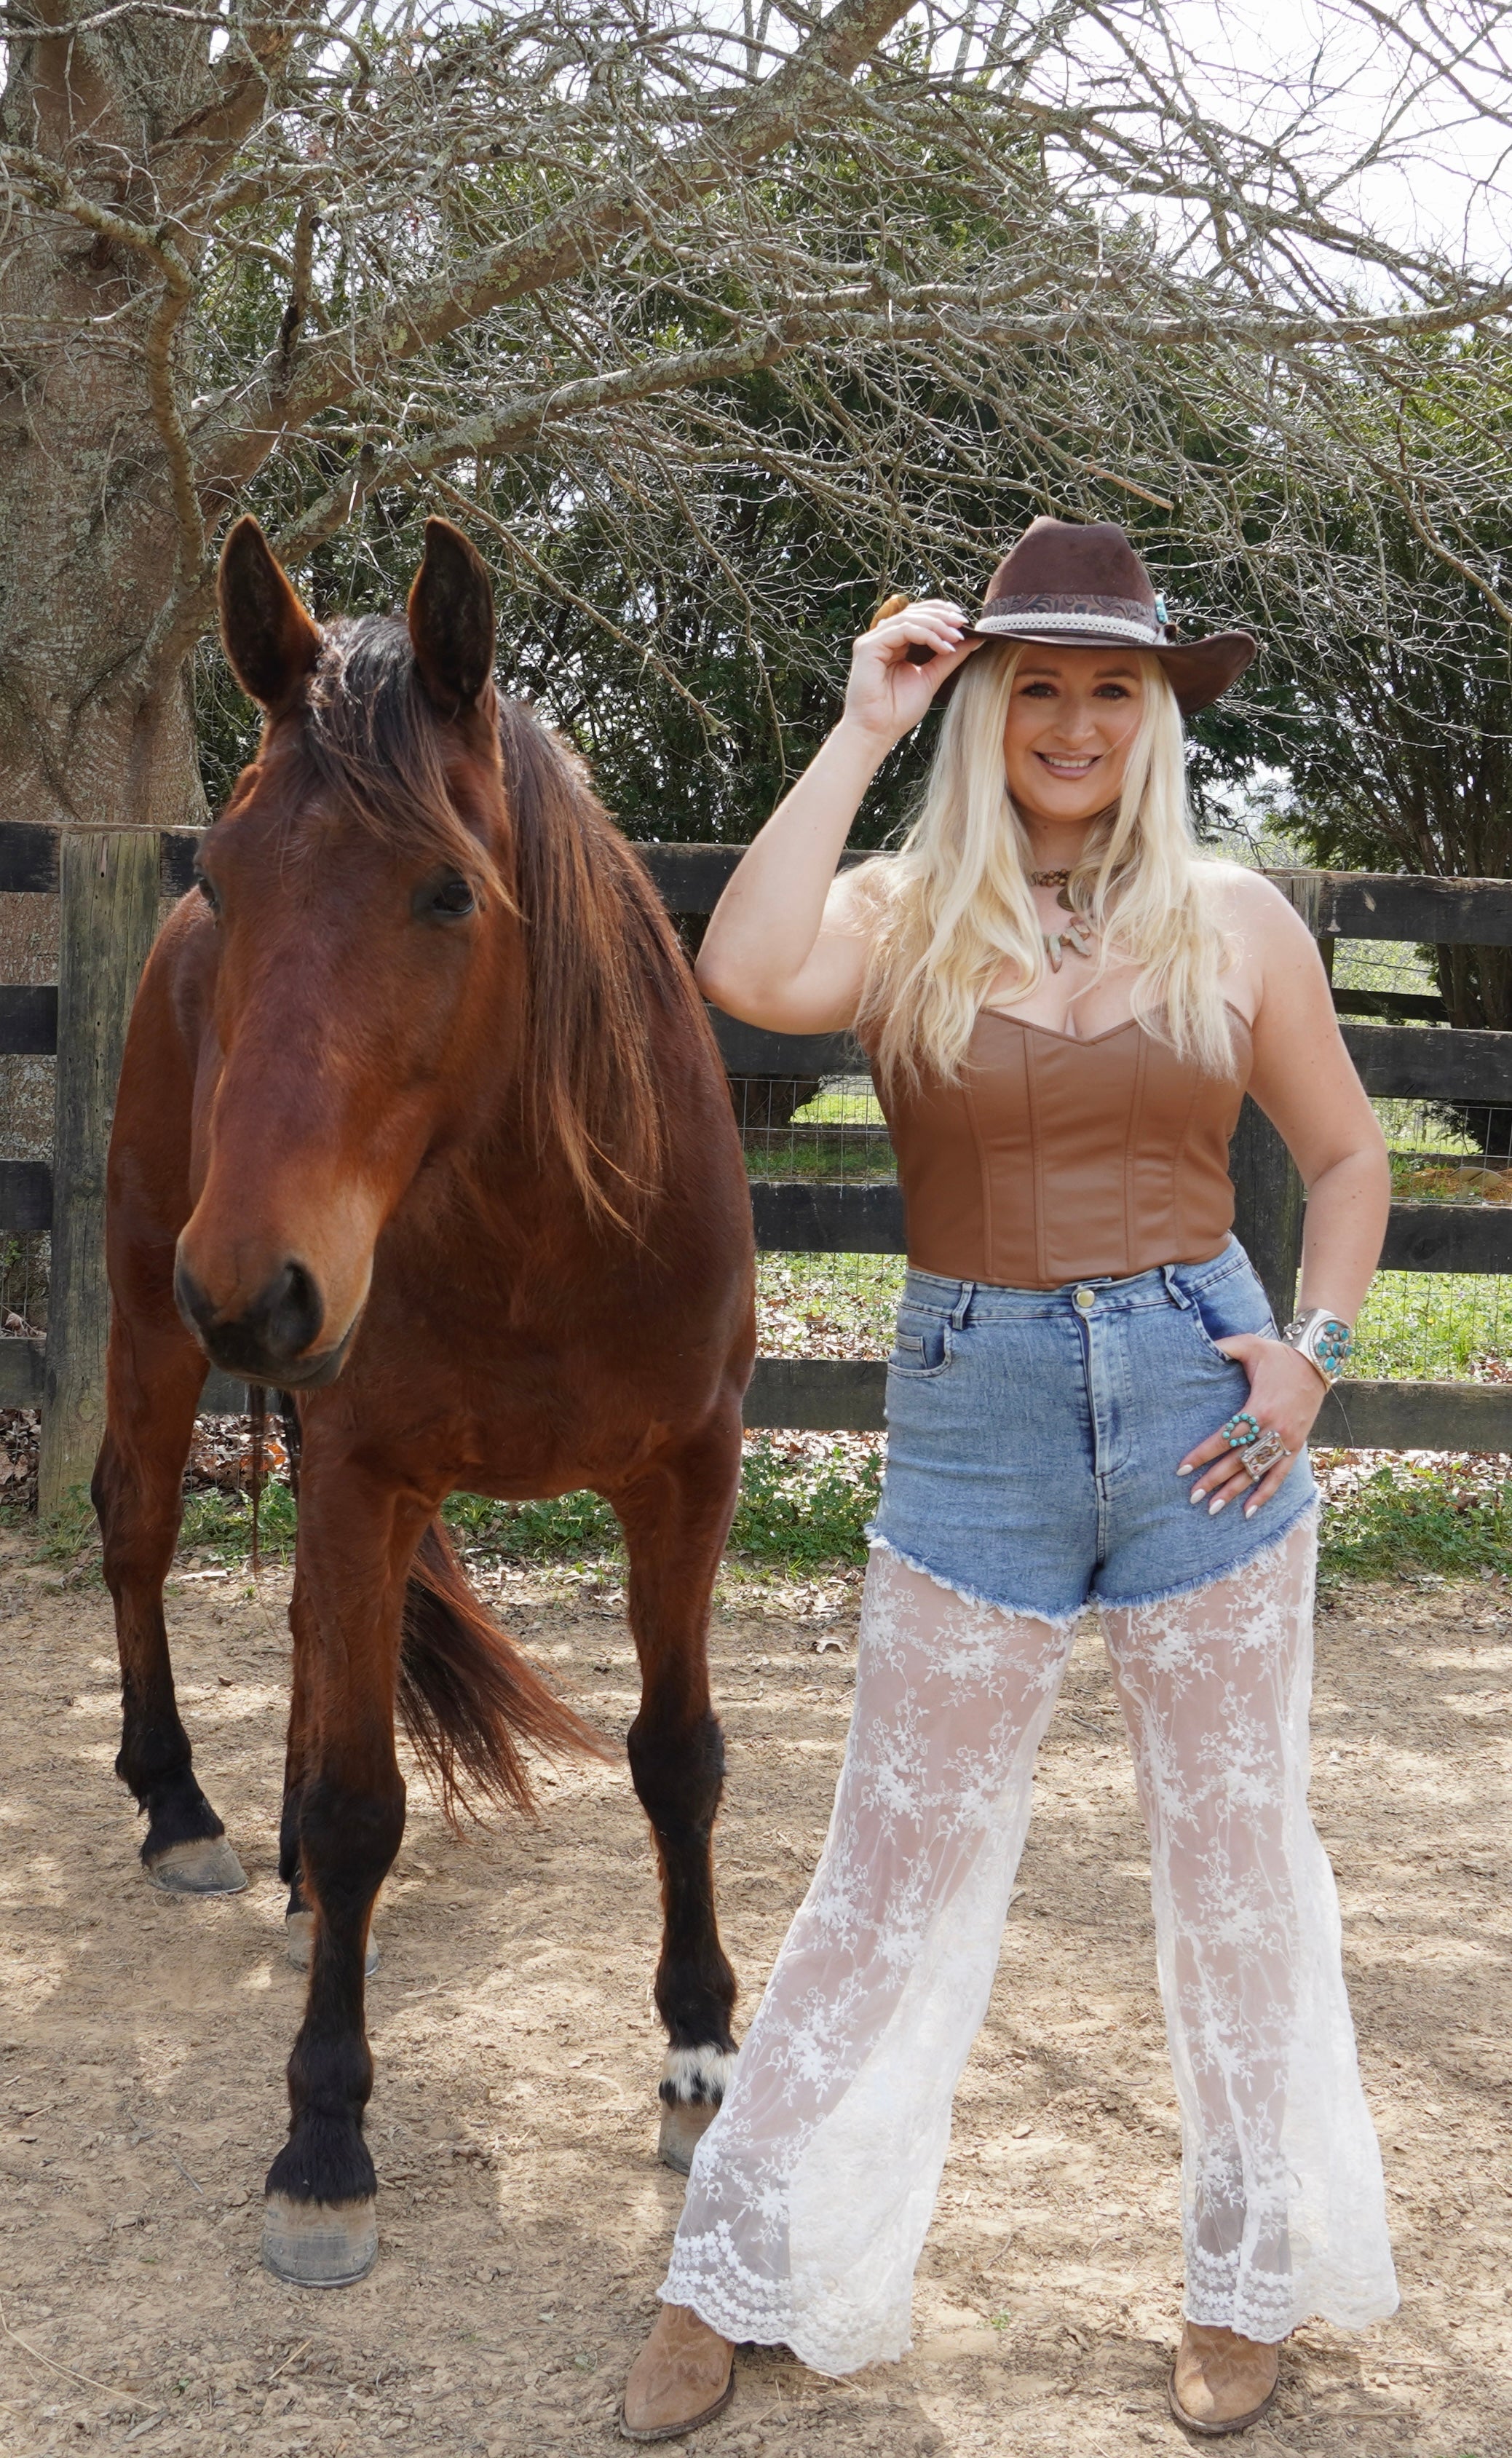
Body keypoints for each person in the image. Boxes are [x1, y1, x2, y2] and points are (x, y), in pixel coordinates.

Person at [620, 518, 1398, 2443]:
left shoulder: (1234, 917)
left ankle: (1243, 2281)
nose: (1073, 721)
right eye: (1034, 684)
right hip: (974, 1417)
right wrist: (865, 721)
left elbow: (1350, 1159)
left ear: (1154, 715)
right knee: (887, 1865)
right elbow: (742, 964)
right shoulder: (903, 912)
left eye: (1110, 689)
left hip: (1206, 1420)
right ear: (983, 705)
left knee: (1236, 1867)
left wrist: (1316, 1354)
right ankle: (734, 2269)